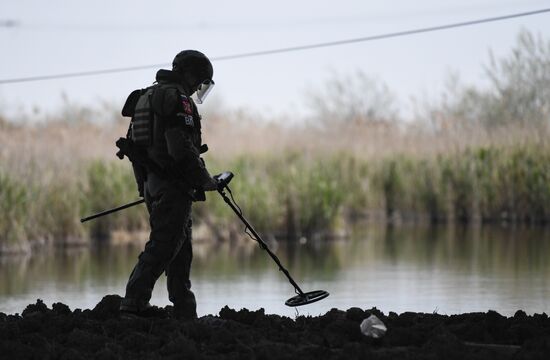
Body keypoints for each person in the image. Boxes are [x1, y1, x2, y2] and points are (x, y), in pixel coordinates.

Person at [117, 50, 218, 320]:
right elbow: (180, 147)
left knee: (179, 247)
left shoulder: (146, 97)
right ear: (190, 74)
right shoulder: (176, 98)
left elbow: (136, 149)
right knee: (165, 244)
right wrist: (203, 179)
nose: (198, 87)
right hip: (172, 185)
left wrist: (145, 188)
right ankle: (134, 301)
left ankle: (184, 309)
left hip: (154, 183)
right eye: (199, 81)